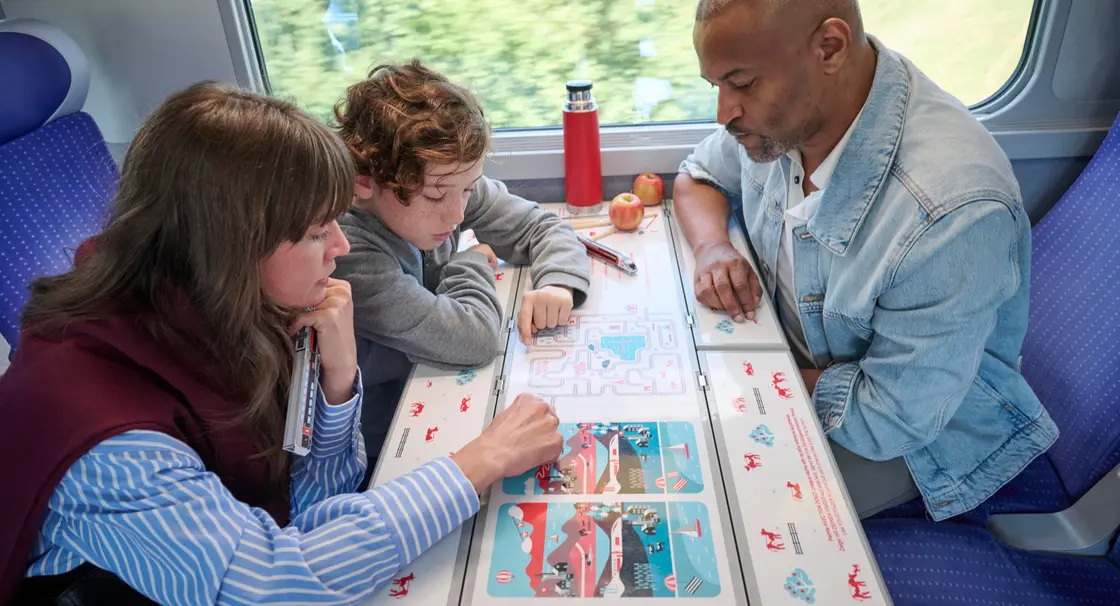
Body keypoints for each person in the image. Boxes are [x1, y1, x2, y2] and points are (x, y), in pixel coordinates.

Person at [0, 81, 563, 605]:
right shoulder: (108, 435)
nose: (341, 245)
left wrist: (338, 380)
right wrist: (477, 464)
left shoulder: (220, 307)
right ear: (235, 249)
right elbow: (275, 583)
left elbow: (310, 505)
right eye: (319, 231)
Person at [676, 0, 1058, 520]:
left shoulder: (950, 213)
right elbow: (699, 176)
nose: (725, 113)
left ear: (829, 47)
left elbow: (889, 419)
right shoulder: (787, 118)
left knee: (711, 504)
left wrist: (745, 379)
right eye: (715, 86)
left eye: (742, 85)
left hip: (913, 441)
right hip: (802, 369)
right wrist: (713, 248)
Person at [331, 60, 591, 474]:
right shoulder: (349, 251)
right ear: (365, 180)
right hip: (383, 455)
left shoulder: (447, 178)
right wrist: (468, 263)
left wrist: (559, 283)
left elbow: (540, 226)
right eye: (436, 197)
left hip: (433, 397)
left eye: (468, 189)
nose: (455, 214)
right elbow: (473, 339)